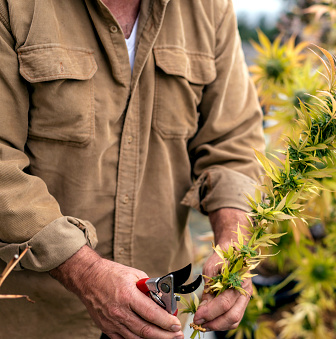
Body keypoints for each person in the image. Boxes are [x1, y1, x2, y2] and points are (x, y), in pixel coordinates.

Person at [0, 0, 265, 338]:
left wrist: (234, 242)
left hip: (161, 318)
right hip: (36, 317)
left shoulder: (209, 8)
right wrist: (85, 272)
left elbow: (234, 142)